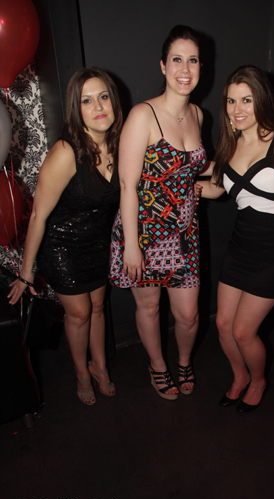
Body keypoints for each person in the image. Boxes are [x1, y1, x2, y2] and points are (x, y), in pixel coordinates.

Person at [8, 67, 122, 406]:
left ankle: (100, 366)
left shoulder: (121, 144)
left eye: (103, 97)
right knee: (80, 313)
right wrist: (26, 273)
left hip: (99, 243)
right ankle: (81, 373)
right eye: (87, 101)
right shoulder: (66, 151)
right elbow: (39, 216)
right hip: (62, 246)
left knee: (98, 307)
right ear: (76, 108)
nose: (98, 106)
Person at [109, 25, 206, 399]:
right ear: (163, 66)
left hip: (185, 233)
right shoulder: (142, 115)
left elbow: (191, 168)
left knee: (188, 315)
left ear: (201, 67)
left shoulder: (198, 114)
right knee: (149, 308)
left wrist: (198, 186)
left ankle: (183, 361)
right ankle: (158, 366)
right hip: (145, 231)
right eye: (177, 60)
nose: (185, 69)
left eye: (193, 60)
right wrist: (132, 246)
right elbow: (127, 185)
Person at [197, 65, 274, 412]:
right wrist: (186, 188)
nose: (237, 109)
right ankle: (239, 376)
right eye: (231, 101)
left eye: (246, 100)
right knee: (223, 324)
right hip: (241, 246)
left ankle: (258, 381)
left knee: (243, 331)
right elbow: (219, 187)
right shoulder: (232, 142)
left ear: (263, 100)